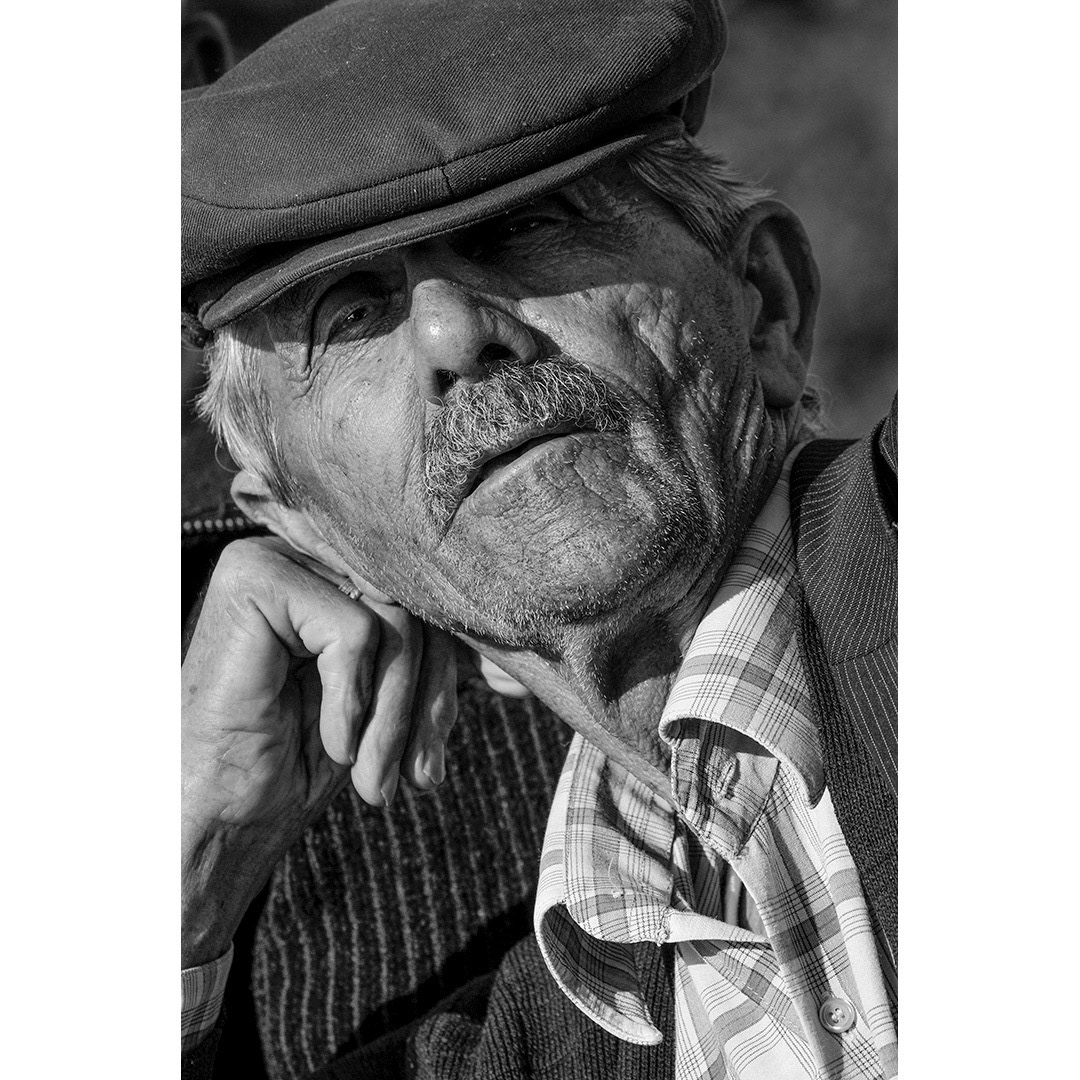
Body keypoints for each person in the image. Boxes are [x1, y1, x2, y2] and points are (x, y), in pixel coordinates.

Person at [181, 1, 898, 1077]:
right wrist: (184, 886)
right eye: (350, 314)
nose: (454, 334)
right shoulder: (513, 1040)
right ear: (301, 521)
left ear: (766, 305)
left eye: (521, 232)